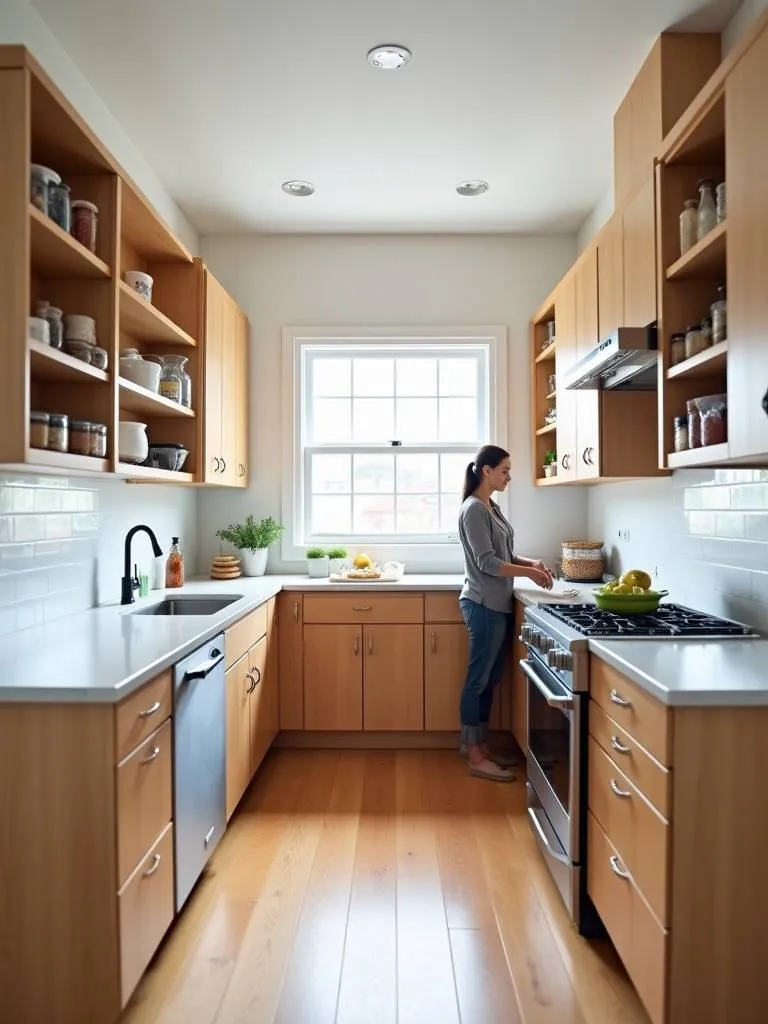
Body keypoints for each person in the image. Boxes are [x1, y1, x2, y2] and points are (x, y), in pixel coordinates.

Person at [457, 444, 553, 781]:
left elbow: (506, 552)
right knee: (478, 679)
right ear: (486, 471)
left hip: (497, 603)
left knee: (489, 680)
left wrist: (532, 563)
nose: (509, 476)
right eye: (505, 470)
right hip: (482, 604)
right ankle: (474, 752)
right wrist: (528, 574)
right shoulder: (473, 510)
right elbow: (487, 563)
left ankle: (480, 746)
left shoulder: (490, 507)